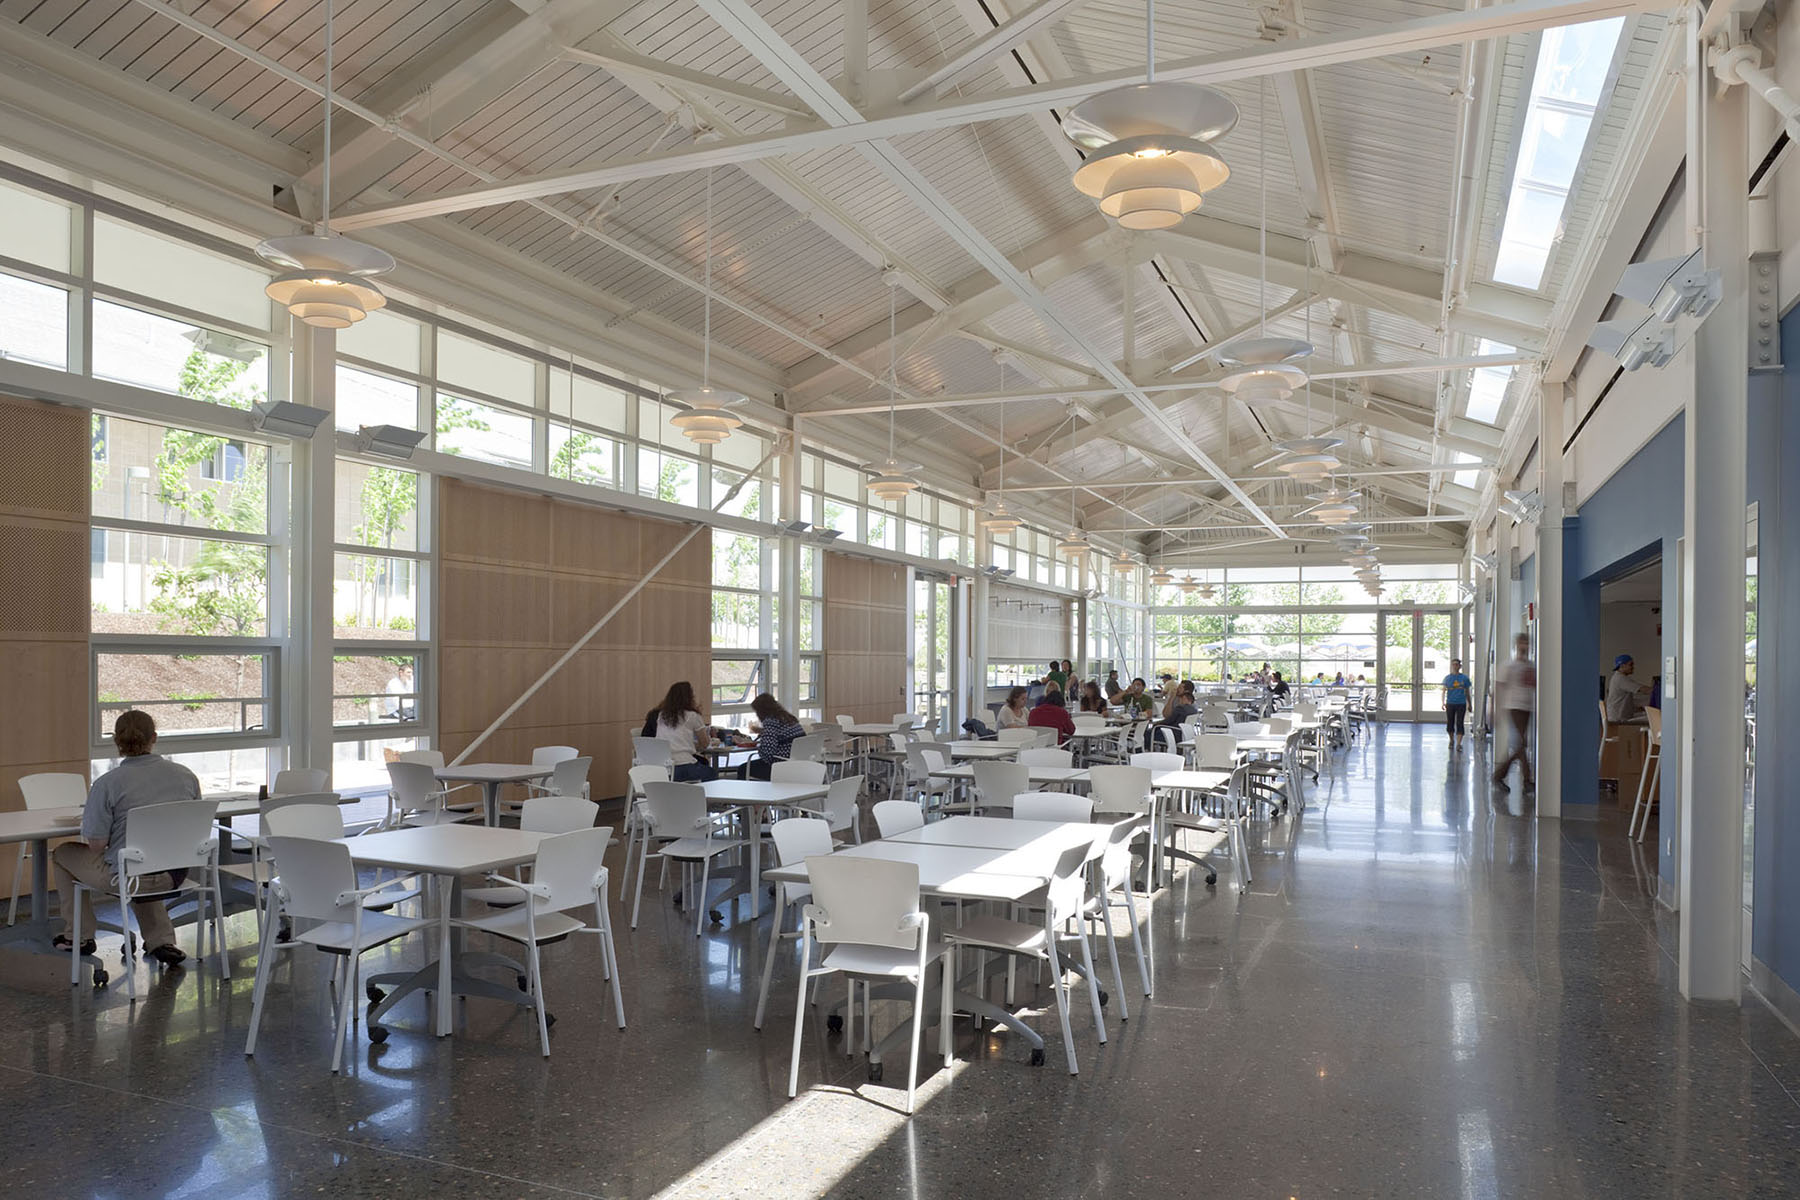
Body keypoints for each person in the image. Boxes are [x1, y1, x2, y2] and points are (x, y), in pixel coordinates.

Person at [52, 710, 197, 965]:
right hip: (174, 876)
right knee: (142, 858)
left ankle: (79, 936)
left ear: (116, 741)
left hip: (128, 880)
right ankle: (161, 941)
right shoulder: (185, 776)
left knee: (63, 853)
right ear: (155, 737)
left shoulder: (107, 784)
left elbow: (96, 846)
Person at [1494, 634, 1537, 790]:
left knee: (1521, 745)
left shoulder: (1531, 666)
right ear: (1516, 645)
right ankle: (1499, 776)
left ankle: (1526, 780)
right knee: (1521, 744)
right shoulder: (1508, 665)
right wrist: (1495, 710)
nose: (1524, 646)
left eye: (1526, 643)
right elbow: (1498, 687)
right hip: (1514, 707)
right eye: (1521, 643)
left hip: (1527, 708)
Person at [652, 681, 717, 782]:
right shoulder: (692, 716)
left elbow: (674, 742)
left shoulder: (662, 716)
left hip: (664, 768)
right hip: (683, 765)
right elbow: (705, 743)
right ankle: (704, 797)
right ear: (689, 697)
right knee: (711, 773)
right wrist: (694, 746)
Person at [744, 693, 804, 781]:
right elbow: (782, 735)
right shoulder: (788, 718)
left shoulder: (770, 721)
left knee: (743, 769)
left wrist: (759, 746)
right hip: (799, 763)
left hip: (780, 765)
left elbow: (767, 752)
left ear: (761, 711)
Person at [1147, 679, 1196, 750]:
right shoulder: (1194, 707)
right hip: (1185, 734)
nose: (1177, 689)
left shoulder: (1180, 708)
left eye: (1180, 688)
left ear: (1186, 691)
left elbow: (1168, 719)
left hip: (1173, 734)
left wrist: (1157, 724)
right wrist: (1171, 698)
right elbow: (1165, 715)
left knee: (1148, 733)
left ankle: (1146, 751)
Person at [1606, 654, 1651, 723]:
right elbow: (1644, 689)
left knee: (1649, 715)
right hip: (1619, 719)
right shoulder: (1621, 679)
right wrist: (1660, 692)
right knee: (1653, 719)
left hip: (1618, 716)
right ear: (1622, 666)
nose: (1633, 667)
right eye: (1630, 665)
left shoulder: (1618, 677)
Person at [1441, 658, 1473, 749]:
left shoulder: (1464, 678)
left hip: (1461, 703)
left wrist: (1469, 704)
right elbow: (1443, 691)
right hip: (1450, 703)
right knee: (1450, 723)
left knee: (1460, 723)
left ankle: (1459, 744)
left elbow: (1467, 692)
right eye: (1453, 664)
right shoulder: (1447, 678)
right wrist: (1443, 702)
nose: (1455, 666)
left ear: (1460, 666)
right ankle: (1451, 740)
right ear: (1451, 666)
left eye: (1457, 664)